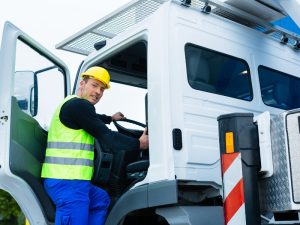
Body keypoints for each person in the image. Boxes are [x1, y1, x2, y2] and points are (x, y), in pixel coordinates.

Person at [41, 66, 148, 225]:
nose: (98, 92)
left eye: (102, 89)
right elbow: (108, 137)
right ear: (82, 84)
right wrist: (139, 144)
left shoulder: (71, 104)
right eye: (94, 85)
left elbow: (92, 118)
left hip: (72, 181)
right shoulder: (79, 106)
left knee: (101, 200)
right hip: (67, 182)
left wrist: (110, 118)